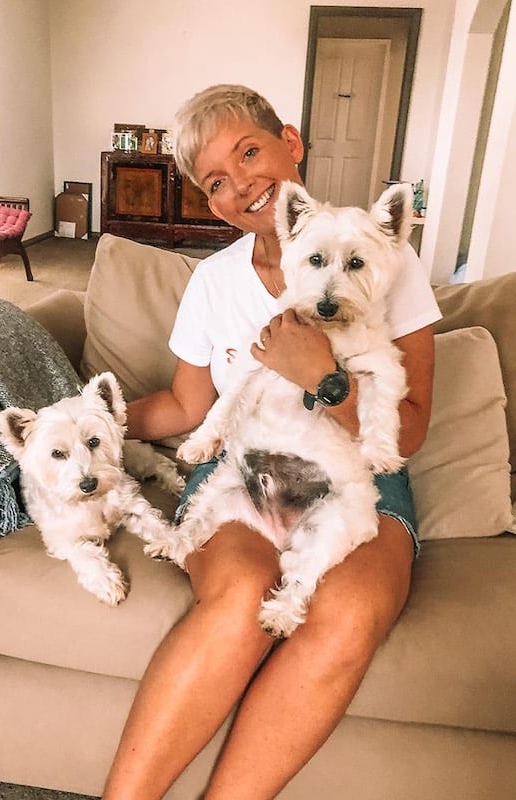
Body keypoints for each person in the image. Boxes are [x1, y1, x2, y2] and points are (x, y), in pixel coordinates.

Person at [103, 84, 441, 800]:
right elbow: (183, 406)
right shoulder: (211, 282)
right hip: (246, 464)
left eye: (249, 152)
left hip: (357, 476)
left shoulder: (381, 255)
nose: (239, 184)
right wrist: (88, 421)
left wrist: (322, 377)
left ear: (291, 142)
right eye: (215, 182)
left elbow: (407, 425)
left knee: (345, 614)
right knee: (241, 596)